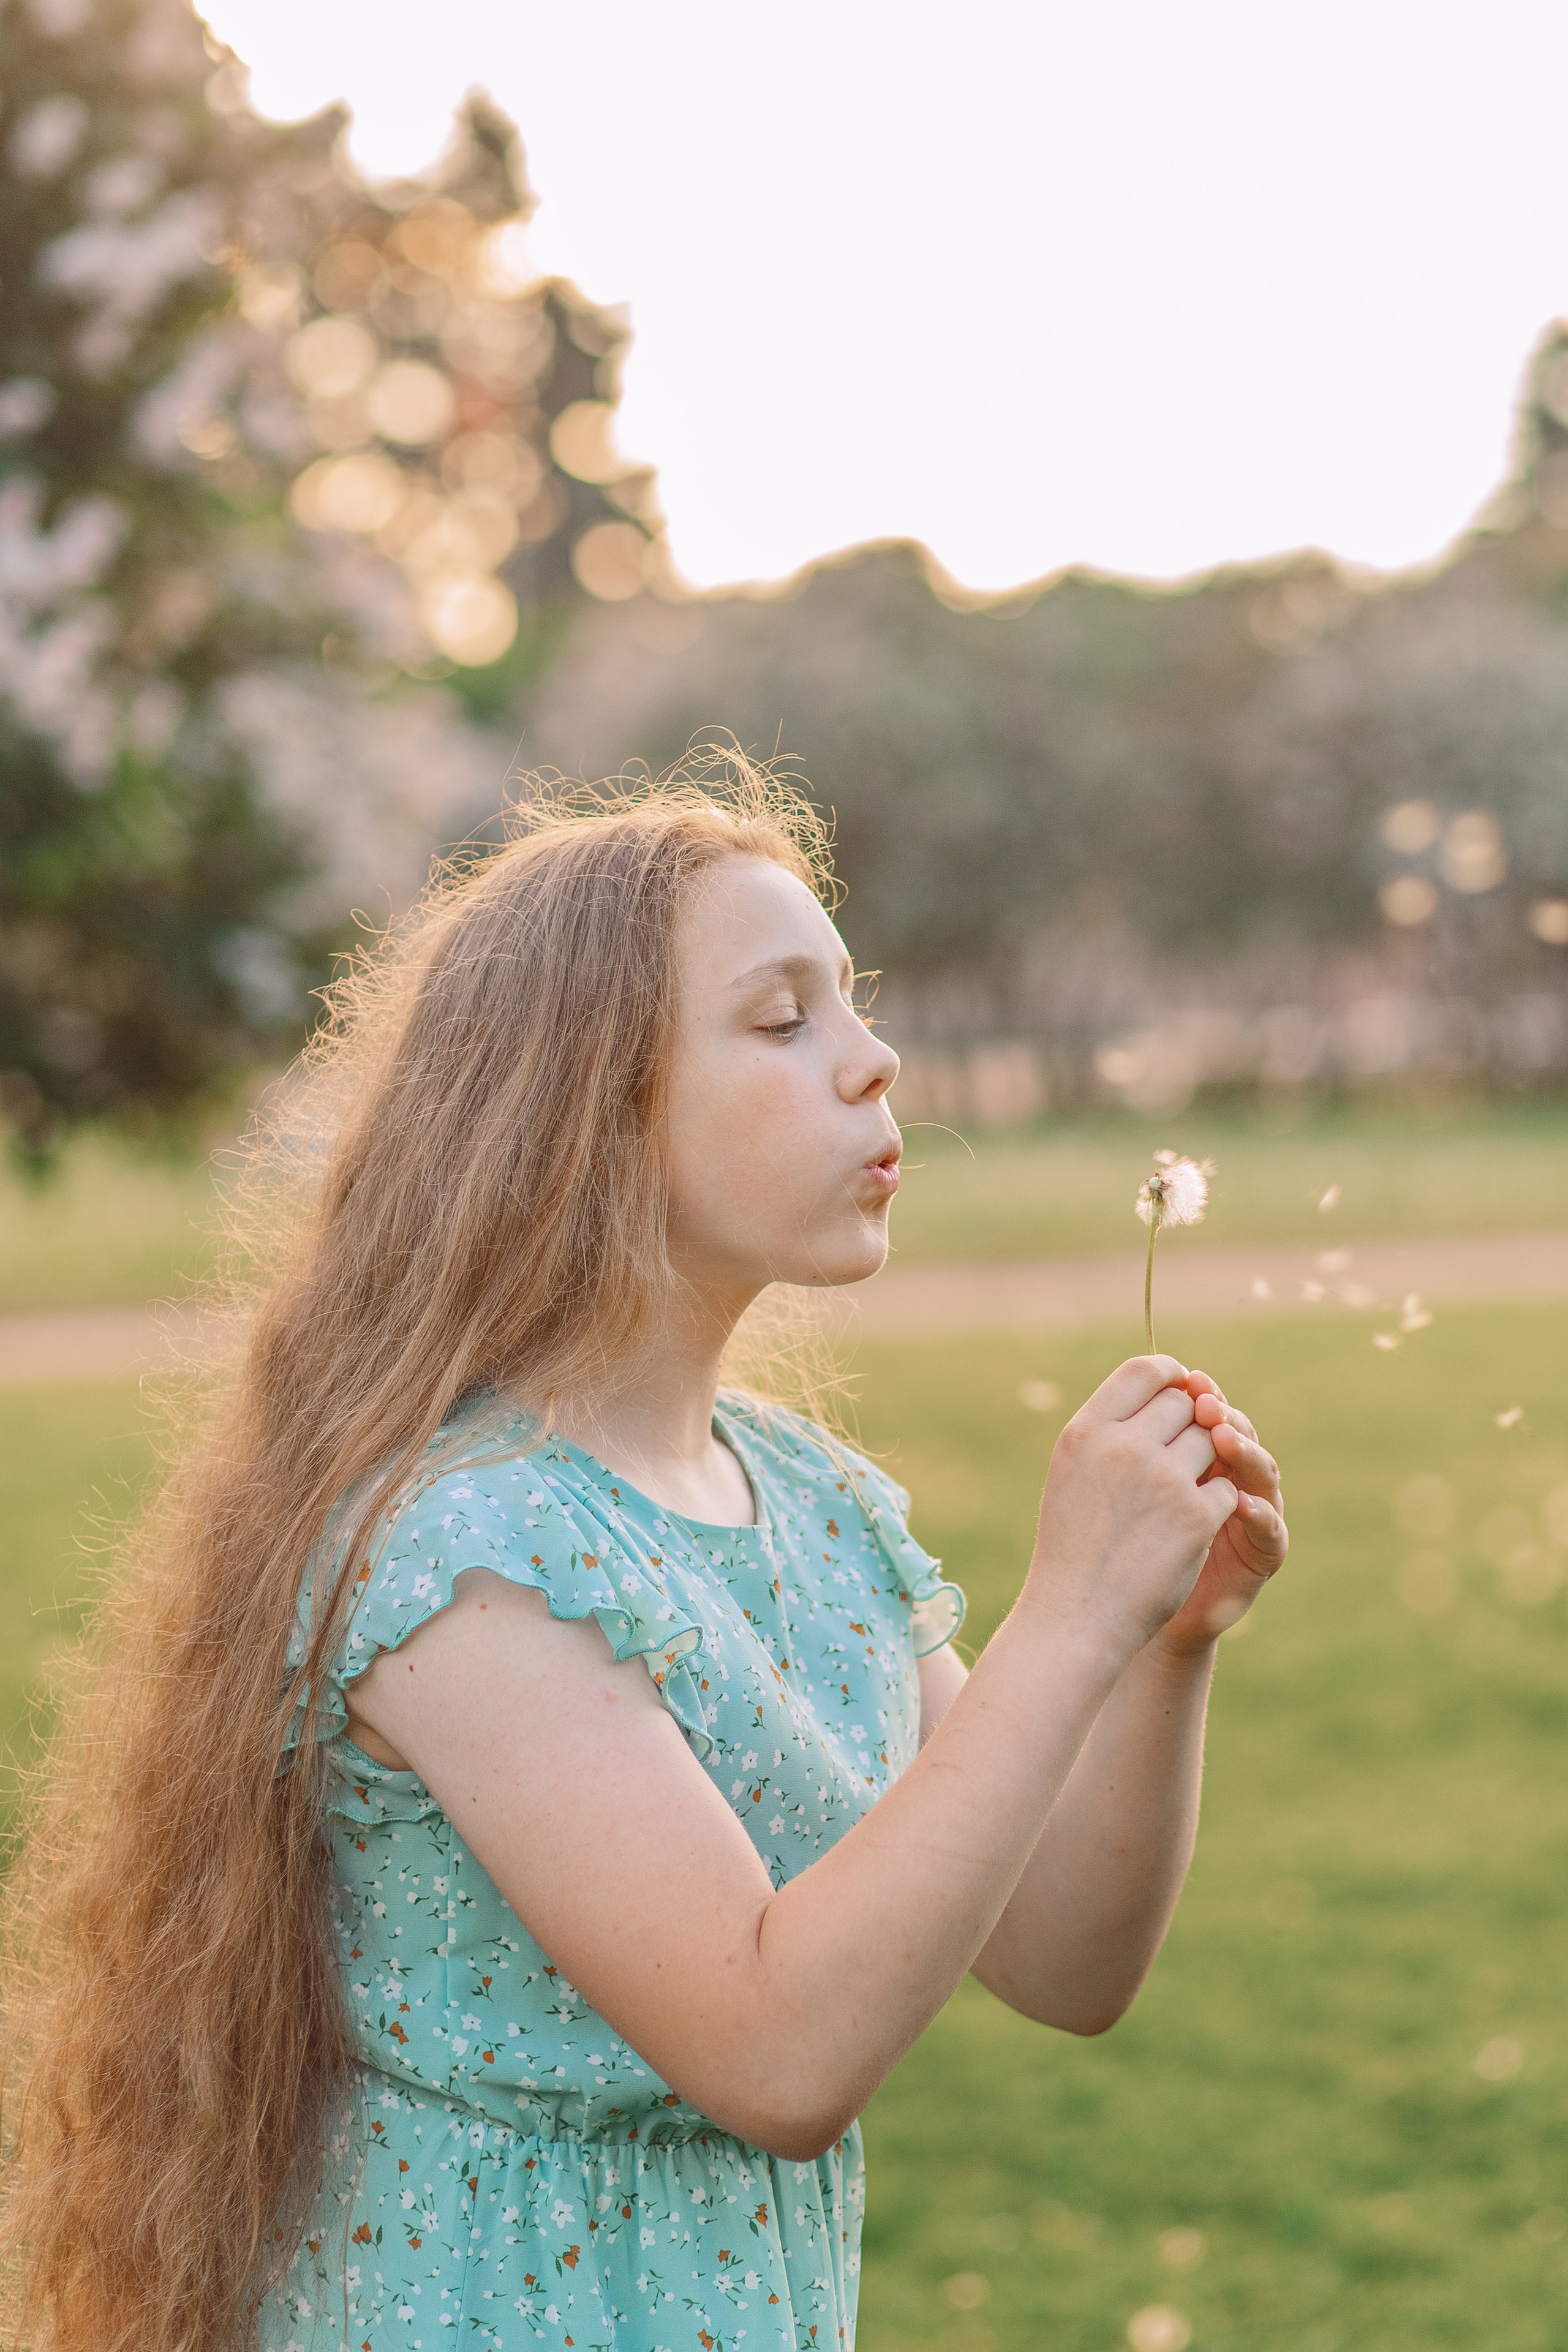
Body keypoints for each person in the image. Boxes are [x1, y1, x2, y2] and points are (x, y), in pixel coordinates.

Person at [1, 770, 1287, 2352]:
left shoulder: (813, 1501)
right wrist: (1070, 1613)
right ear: (591, 1106)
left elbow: (1064, 1958)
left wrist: (1163, 1647)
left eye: (856, 1007)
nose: (875, 1059)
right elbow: (777, 2052)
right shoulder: (469, 1556)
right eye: (782, 1019)